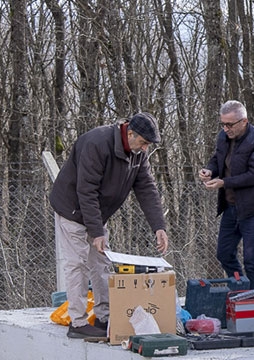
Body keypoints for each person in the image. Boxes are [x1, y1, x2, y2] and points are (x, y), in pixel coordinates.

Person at [49, 112, 169, 338]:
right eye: (143, 143)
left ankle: (104, 317)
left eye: (148, 145)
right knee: (77, 264)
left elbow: (147, 188)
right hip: (72, 208)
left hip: (98, 212)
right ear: (130, 133)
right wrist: (96, 232)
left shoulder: (137, 154)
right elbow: (86, 191)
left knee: (102, 262)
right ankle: (78, 322)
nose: (145, 149)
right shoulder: (97, 143)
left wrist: (159, 226)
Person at [198, 100, 254, 289]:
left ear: (244, 121)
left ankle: (253, 299)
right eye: (223, 124)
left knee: (252, 259)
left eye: (230, 124)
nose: (226, 128)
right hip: (230, 207)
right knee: (224, 253)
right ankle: (240, 286)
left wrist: (224, 182)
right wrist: (209, 170)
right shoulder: (223, 137)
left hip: (252, 208)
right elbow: (217, 159)